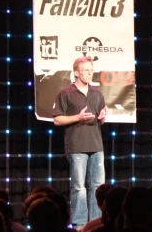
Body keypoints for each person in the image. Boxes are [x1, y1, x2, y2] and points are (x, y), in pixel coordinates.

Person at [53, 57, 107, 230]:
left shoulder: (97, 93)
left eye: (91, 69)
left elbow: (101, 118)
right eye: (86, 70)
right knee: (79, 187)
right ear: (76, 72)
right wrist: (78, 117)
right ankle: (80, 224)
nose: (90, 73)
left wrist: (103, 118)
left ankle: (95, 223)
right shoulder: (66, 94)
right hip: (76, 146)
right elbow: (57, 120)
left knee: (97, 186)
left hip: (96, 145)